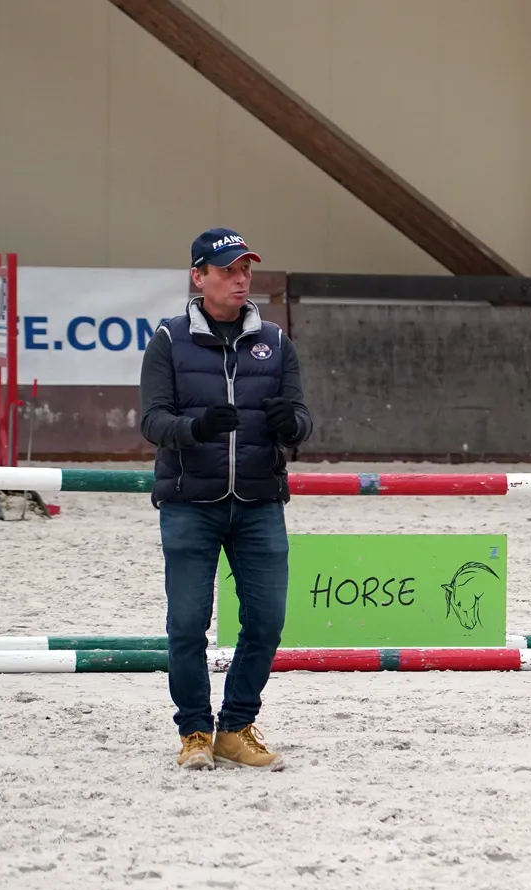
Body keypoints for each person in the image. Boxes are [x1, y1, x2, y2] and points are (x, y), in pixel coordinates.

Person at [139, 227, 313, 771]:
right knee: (187, 625)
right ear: (199, 277)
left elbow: (302, 421)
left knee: (267, 621)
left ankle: (236, 727)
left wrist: (291, 425)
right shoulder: (168, 340)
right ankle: (194, 731)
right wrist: (195, 429)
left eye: (245, 270)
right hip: (190, 502)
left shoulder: (277, 342)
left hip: (260, 501)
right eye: (228, 270)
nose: (241, 280)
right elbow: (151, 421)